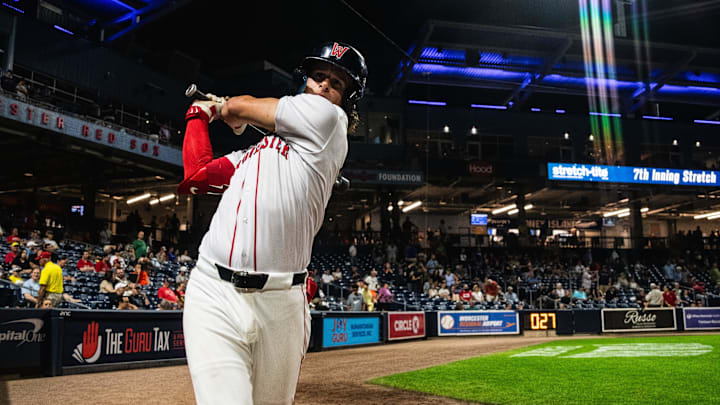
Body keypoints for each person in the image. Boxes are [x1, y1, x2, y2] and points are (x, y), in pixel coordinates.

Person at [178, 41, 366, 404]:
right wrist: (196, 117)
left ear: (347, 100)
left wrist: (220, 108)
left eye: (337, 83)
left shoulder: (331, 122)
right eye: (318, 76)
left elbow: (240, 106)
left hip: (281, 304)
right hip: (213, 291)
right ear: (304, 81)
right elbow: (197, 175)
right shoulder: (252, 153)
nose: (325, 85)